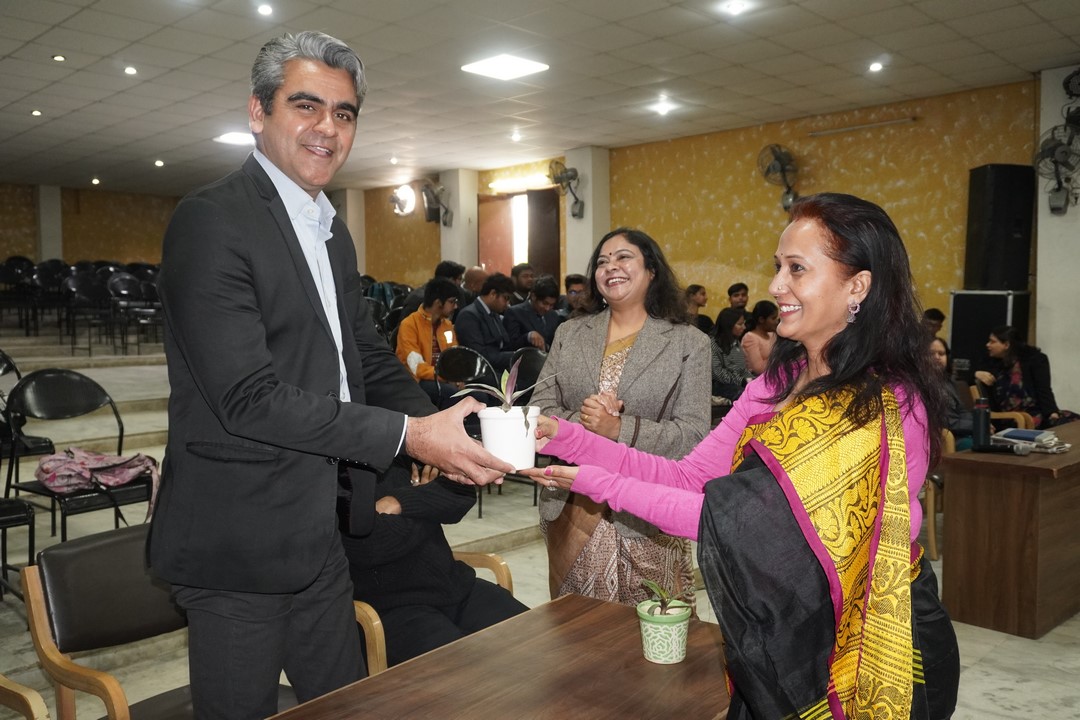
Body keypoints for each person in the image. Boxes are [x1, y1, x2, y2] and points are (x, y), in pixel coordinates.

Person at [149, 31, 511, 720]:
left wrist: (444, 426)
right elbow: (247, 399)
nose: (327, 127)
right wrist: (409, 437)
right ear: (258, 111)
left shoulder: (330, 230)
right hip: (238, 541)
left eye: (344, 113)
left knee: (347, 706)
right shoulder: (211, 220)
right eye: (306, 105)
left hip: (322, 530)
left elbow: (362, 355)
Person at [527, 193, 959, 720]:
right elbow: (691, 477)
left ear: (858, 286)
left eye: (796, 269)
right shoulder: (778, 382)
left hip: (872, 642)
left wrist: (593, 480)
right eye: (778, 267)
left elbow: (735, 524)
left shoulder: (881, 402)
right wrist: (567, 439)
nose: (776, 286)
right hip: (780, 631)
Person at [531, 227, 710, 607]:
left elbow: (694, 434)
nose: (611, 266)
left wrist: (619, 428)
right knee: (576, 625)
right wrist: (588, 423)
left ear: (652, 270)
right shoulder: (570, 333)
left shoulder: (688, 343)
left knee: (652, 624)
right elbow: (541, 409)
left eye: (623, 257)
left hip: (650, 509)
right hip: (573, 501)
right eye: (602, 261)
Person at [340, 462, 528, 667]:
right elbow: (370, 545)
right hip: (393, 609)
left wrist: (398, 502)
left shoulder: (407, 450)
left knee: (537, 639)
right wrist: (427, 501)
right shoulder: (335, 469)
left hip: (456, 587)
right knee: (474, 672)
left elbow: (462, 493)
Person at [974, 325, 1076, 429]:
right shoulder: (989, 363)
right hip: (1012, 418)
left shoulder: (1035, 359)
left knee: (1071, 422)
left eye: (992, 342)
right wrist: (975, 373)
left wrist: (1052, 412)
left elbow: (1043, 389)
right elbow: (967, 381)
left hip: (1036, 412)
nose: (988, 345)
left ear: (1006, 345)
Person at [395, 277, 460, 408]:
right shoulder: (409, 325)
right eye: (452, 302)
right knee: (451, 393)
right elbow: (416, 367)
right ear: (438, 303)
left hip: (443, 378)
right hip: (416, 380)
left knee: (478, 394)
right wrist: (446, 377)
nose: (455, 306)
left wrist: (458, 376)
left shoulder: (447, 325)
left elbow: (454, 355)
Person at [454, 272, 516, 374]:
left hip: (498, 367)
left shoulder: (493, 313)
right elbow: (479, 355)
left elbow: (504, 344)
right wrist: (514, 356)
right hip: (481, 372)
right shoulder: (469, 315)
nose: (507, 304)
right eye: (505, 298)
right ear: (493, 294)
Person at [929, 336, 974, 450]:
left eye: (941, 354)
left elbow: (962, 410)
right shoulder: (920, 385)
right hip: (943, 437)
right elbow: (942, 420)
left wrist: (978, 423)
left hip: (962, 432)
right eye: (931, 353)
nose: (937, 357)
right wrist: (974, 425)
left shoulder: (949, 383)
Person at [503, 275, 562, 350]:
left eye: (551, 305)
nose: (547, 308)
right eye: (545, 303)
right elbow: (509, 345)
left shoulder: (553, 315)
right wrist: (528, 337)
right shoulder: (514, 313)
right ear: (533, 296)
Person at [710, 306, 753, 401]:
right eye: (740, 324)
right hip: (718, 385)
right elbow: (717, 373)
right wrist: (741, 380)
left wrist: (749, 378)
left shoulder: (735, 342)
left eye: (744, 323)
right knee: (743, 395)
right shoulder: (713, 343)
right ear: (728, 325)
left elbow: (742, 368)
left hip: (737, 381)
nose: (744, 327)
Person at [399, 260, 465, 318]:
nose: (460, 283)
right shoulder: (418, 299)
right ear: (449, 280)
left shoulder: (458, 294)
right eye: (459, 279)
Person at [740, 299, 778, 374]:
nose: (777, 322)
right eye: (773, 318)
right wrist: (779, 360)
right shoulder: (750, 338)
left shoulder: (772, 335)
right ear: (761, 319)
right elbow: (758, 368)